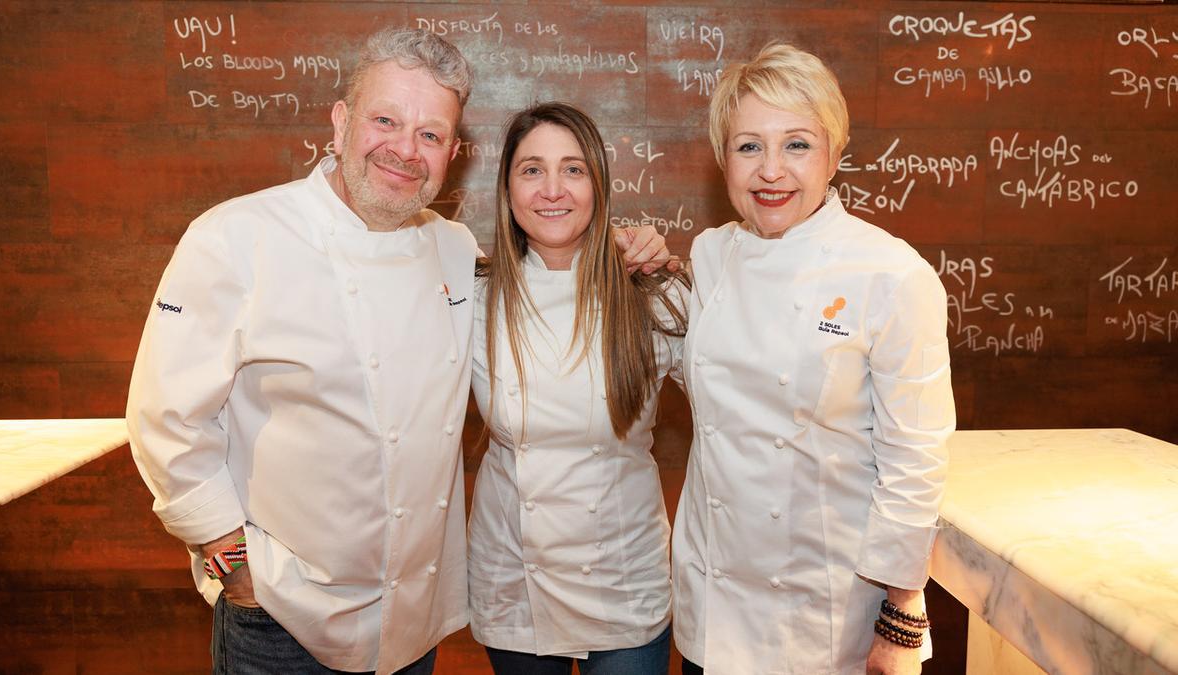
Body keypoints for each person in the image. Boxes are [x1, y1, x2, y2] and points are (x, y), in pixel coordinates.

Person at [126, 28, 671, 675]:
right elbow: (164, 422)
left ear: (452, 153)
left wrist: (637, 249)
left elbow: (554, 281)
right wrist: (232, 570)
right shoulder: (237, 238)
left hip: (411, 627)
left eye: (430, 134)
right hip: (280, 617)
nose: (405, 150)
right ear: (340, 122)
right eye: (386, 120)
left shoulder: (451, 248)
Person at [670, 42, 955, 675]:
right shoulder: (711, 255)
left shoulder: (891, 274)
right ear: (723, 160)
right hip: (712, 607)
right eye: (749, 147)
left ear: (834, 154)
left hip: (826, 618)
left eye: (796, 144)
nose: (771, 171)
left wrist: (903, 617)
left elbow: (914, 459)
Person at [467, 102, 688, 675]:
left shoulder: (653, 295)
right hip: (514, 578)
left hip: (623, 581)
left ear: (598, 186)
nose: (552, 190)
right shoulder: (473, 299)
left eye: (573, 169)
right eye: (531, 169)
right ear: (507, 189)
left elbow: (743, 401)